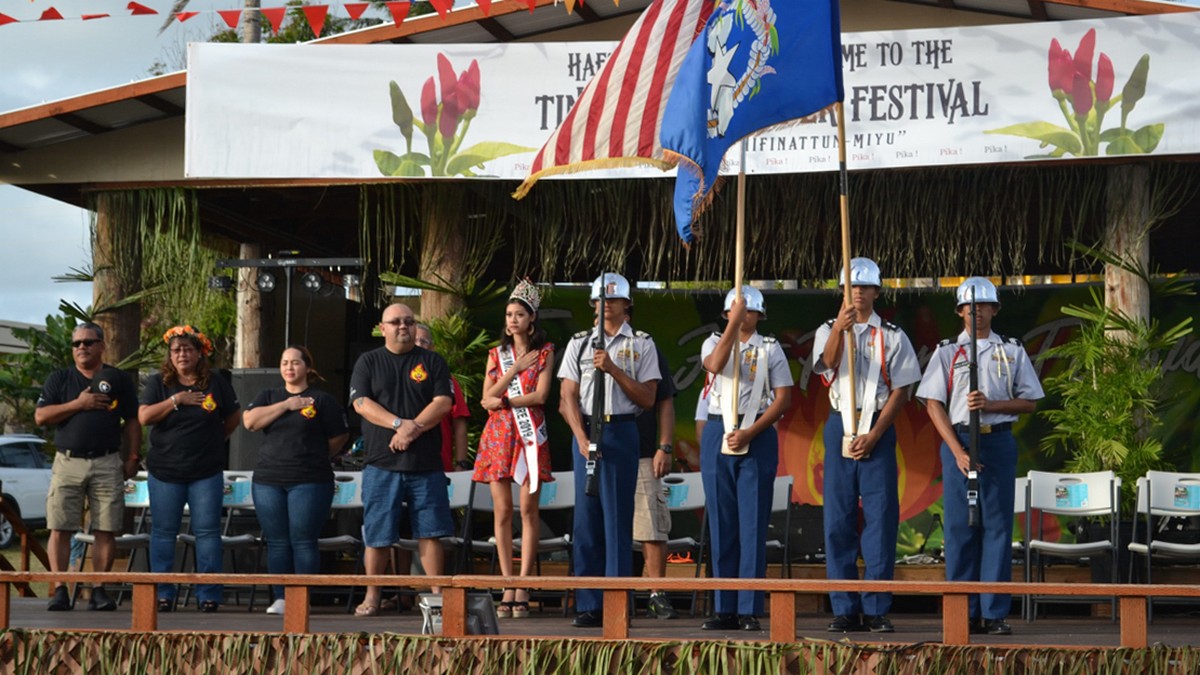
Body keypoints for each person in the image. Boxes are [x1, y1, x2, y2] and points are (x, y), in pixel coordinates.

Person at [916, 277, 1044, 637]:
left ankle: (994, 611)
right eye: (970, 307)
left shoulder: (1012, 350)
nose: (978, 313)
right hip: (958, 442)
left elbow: (1030, 401)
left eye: (985, 306)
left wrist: (992, 404)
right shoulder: (946, 352)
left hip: (997, 441)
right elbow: (932, 404)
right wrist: (956, 452)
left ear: (995, 309)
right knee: (959, 528)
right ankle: (962, 609)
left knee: (998, 528)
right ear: (960, 312)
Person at [812, 258, 921, 633]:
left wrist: (875, 434)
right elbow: (825, 365)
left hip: (877, 425)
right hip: (839, 423)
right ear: (843, 292)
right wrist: (839, 331)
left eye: (864, 287)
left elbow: (903, 390)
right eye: (851, 287)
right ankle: (844, 606)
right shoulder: (827, 329)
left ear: (876, 292)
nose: (858, 293)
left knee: (881, 517)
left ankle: (876, 606)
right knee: (838, 519)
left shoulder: (892, 334)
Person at [558, 272, 659, 628]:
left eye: (613, 300)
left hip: (621, 429)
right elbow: (566, 398)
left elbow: (648, 398)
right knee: (586, 521)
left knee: (617, 519)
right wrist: (580, 438)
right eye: (600, 300)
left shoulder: (642, 344)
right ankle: (588, 602)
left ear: (627, 304)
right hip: (586, 430)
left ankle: (617, 601)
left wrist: (613, 369)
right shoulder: (579, 343)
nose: (606, 306)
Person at [348, 302, 453, 617]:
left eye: (408, 321)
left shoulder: (432, 361)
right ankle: (372, 597)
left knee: (431, 532)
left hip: (425, 463)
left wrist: (411, 430)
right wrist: (398, 424)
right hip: (382, 462)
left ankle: (437, 599)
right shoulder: (368, 362)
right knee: (378, 534)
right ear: (383, 328)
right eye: (395, 322)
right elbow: (361, 403)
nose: (403, 326)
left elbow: (443, 402)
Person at [699, 287, 792, 632]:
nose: (745, 317)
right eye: (739, 311)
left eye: (751, 312)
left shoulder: (769, 348)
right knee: (722, 522)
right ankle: (724, 606)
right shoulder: (713, 341)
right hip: (717, 431)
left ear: (760, 316)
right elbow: (713, 365)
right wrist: (731, 328)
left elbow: (783, 398)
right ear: (727, 314)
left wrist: (751, 433)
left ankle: (748, 606)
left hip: (757, 433)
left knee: (752, 522)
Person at [34, 322, 141, 612]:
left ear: (102, 346)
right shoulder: (60, 379)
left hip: (107, 460)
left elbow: (132, 420)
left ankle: (99, 589)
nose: (82, 347)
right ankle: (59, 589)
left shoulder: (117, 378)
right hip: (68, 461)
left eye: (88, 342)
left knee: (106, 527)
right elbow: (41, 416)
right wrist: (79, 404)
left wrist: (132, 457)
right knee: (60, 526)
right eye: (76, 343)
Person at [138, 325, 241, 613]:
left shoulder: (216, 382)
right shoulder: (158, 382)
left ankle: (208, 594)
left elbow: (233, 416)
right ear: (169, 356)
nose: (182, 354)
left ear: (199, 353)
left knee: (207, 532)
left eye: (187, 349)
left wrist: (215, 438)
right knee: (163, 532)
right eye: (176, 350)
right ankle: (163, 593)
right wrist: (176, 400)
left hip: (205, 471)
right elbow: (144, 417)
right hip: (166, 472)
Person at [243, 346, 349, 616]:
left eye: (295, 362)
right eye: (284, 363)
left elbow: (339, 436)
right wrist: (287, 405)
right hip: (269, 479)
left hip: (309, 479)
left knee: (303, 539)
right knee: (277, 541)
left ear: (308, 367)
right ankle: (280, 597)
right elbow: (250, 422)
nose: (289, 367)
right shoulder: (269, 396)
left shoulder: (321, 400)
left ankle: (302, 597)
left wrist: (316, 454)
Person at [474, 280, 555, 619]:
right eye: (508, 314)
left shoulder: (547, 352)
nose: (512, 320)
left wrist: (504, 400)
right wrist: (514, 371)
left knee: (528, 512)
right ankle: (507, 582)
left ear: (532, 318)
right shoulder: (497, 354)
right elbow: (484, 400)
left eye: (519, 314)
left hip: (530, 434)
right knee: (502, 511)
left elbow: (540, 397)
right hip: (498, 437)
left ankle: (523, 583)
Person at [634, 344, 678, 620]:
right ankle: (605, 593)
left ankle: (656, 593)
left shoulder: (645, 347)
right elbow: (568, 398)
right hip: (601, 453)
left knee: (652, 525)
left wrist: (665, 446)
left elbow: (665, 401)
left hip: (644, 451)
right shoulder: (585, 346)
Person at [414, 324, 472, 473]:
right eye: (414, 340)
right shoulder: (393, 376)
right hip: (399, 463)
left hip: (438, 465)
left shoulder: (447, 380)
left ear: (432, 347)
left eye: (424, 341)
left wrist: (461, 463)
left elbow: (459, 424)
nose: (419, 345)